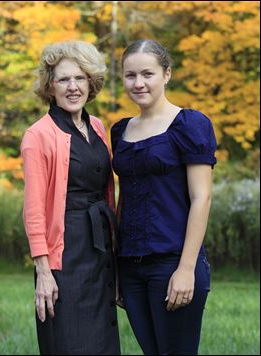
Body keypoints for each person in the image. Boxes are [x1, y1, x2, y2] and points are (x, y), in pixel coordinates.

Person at [111, 39, 217, 355]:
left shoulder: (190, 124)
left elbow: (202, 198)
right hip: (130, 266)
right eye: (130, 75)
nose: (138, 83)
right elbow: (124, 197)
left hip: (173, 262)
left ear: (166, 74)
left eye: (148, 74)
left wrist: (186, 269)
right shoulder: (120, 131)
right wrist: (117, 269)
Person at [21, 40, 121, 355]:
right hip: (64, 255)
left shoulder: (98, 127)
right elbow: (34, 210)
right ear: (50, 87)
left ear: (91, 82)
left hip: (100, 247)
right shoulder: (38, 135)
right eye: (64, 79)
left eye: (80, 78)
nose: (73, 87)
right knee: (69, 342)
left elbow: (107, 191)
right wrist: (44, 273)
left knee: (102, 343)